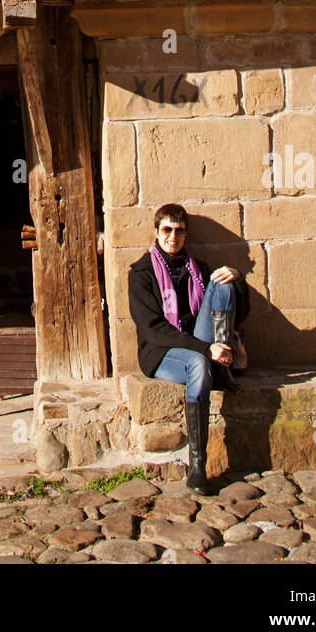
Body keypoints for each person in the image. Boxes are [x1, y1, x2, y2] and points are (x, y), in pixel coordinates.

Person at [128, 202, 249, 495]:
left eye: (179, 231)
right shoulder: (141, 273)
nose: (173, 236)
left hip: (200, 341)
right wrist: (205, 350)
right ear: (156, 232)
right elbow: (153, 329)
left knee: (222, 283)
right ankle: (198, 465)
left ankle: (220, 370)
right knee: (197, 363)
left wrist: (236, 277)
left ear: (186, 234)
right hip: (161, 352)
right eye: (167, 230)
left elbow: (240, 311)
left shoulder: (198, 270)